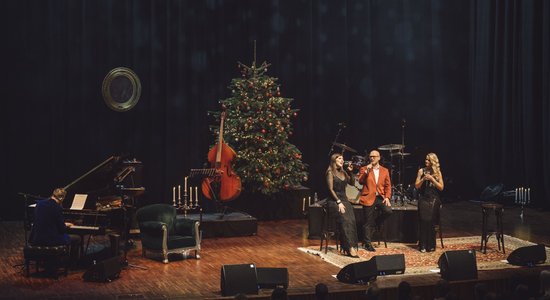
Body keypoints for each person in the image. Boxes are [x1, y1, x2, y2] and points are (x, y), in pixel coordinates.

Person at [29, 188, 81, 265]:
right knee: (77, 238)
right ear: (61, 198)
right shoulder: (57, 207)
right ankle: (72, 264)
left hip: (36, 238)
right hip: (50, 239)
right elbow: (62, 229)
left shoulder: (39, 204)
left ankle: (46, 261)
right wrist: (65, 224)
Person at [358, 150, 392, 252]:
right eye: (371, 156)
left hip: (379, 197)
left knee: (388, 211)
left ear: (379, 158)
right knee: (367, 222)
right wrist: (366, 172)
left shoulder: (385, 170)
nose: (372, 158)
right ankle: (367, 244)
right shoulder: (364, 168)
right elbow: (360, 181)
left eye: (374, 156)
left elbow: (388, 185)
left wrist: (387, 197)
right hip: (368, 196)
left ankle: (377, 222)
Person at [326, 153, 359, 257]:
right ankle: (349, 247)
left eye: (342, 158)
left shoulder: (344, 172)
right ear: (334, 160)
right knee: (344, 220)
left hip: (344, 199)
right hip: (334, 200)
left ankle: (352, 245)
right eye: (339, 158)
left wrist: (351, 172)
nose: (342, 160)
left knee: (351, 220)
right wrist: (338, 202)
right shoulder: (330, 172)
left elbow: (352, 183)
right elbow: (330, 189)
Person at [414, 153, 444, 252]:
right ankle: (422, 244)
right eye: (426, 159)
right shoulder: (421, 171)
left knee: (430, 220)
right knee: (423, 219)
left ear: (432, 162)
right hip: (423, 198)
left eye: (428, 160)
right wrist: (423, 179)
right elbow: (417, 186)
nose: (426, 161)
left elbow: (441, 187)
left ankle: (431, 244)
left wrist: (432, 179)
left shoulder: (437, 172)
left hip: (434, 198)